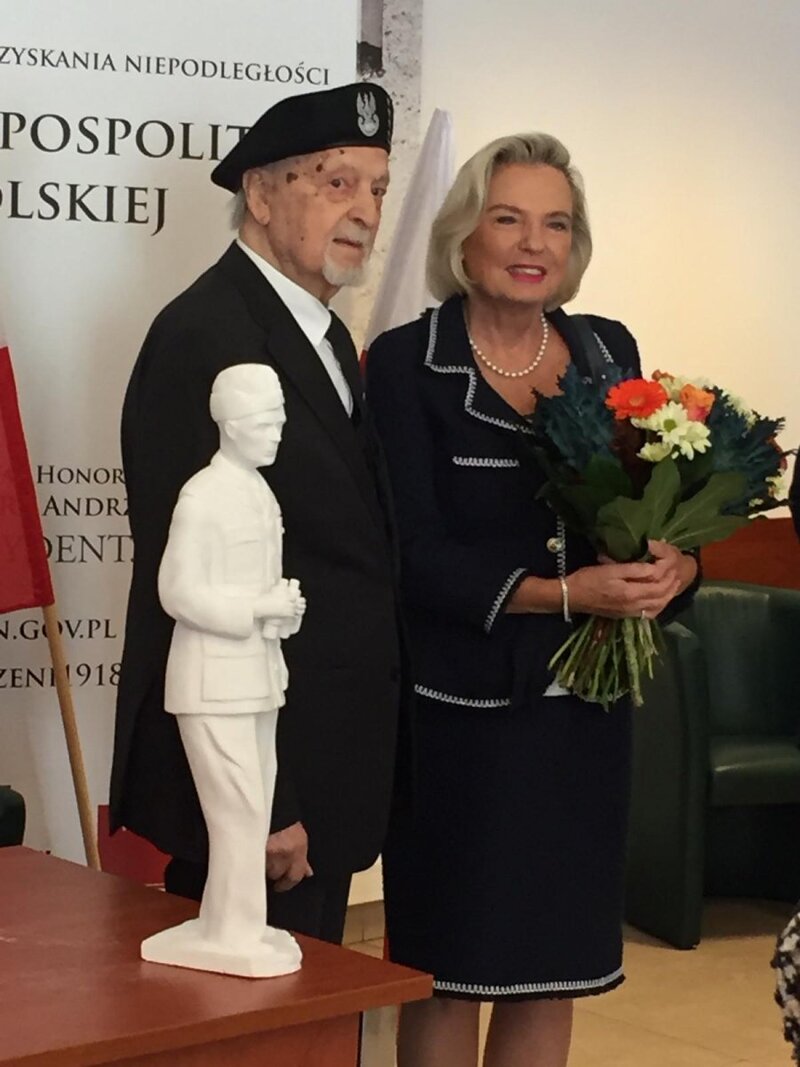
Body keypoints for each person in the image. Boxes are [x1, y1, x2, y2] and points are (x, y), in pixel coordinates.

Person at [366, 133, 699, 1067]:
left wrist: (674, 569)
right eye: (507, 217)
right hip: (462, 721)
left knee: (555, 969)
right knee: (449, 968)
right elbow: (413, 555)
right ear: (465, 235)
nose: (532, 242)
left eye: (555, 223)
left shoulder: (609, 350)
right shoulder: (404, 363)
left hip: (581, 723)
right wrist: (561, 593)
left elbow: (650, 503)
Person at [110, 83, 404, 946]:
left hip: (321, 765)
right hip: (260, 782)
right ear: (262, 193)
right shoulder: (205, 337)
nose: (364, 211)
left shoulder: (316, 334)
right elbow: (189, 588)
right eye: (336, 181)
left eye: (378, 188)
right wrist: (264, 804)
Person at [142, 364, 304, 976]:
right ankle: (233, 930)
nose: (278, 432)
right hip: (212, 681)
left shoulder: (260, 492)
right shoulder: (203, 496)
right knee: (235, 813)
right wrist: (255, 608)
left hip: (257, 673)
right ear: (232, 425)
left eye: (280, 419)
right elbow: (177, 592)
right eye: (267, 421)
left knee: (252, 810)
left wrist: (276, 613)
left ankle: (235, 924)